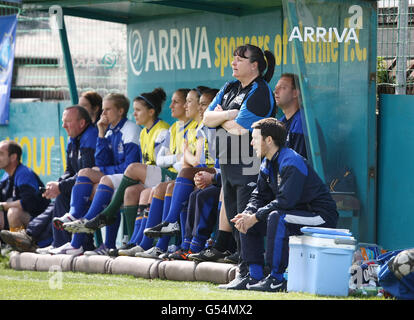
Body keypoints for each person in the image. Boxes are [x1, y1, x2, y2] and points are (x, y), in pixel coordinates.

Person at [226, 118, 338, 291]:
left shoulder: (291, 161)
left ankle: (276, 278)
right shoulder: (267, 162)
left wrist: (255, 217)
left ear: (268, 140)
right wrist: (248, 213)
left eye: (255, 138)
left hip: (319, 216)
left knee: (276, 217)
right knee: (247, 216)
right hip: (294, 213)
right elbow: (258, 196)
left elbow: (286, 202)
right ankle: (253, 276)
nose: (251, 142)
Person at [198, 44, 276, 274]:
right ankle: (244, 269)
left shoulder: (260, 90)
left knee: (245, 219)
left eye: (240, 59)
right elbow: (205, 117)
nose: (234, 62)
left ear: (255, 65)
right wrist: (228, 115)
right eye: (234, 58)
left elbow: (241, 129)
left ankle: (252, 272)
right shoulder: (230, 86)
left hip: (248, 161)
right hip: (228, 162)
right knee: (234, 218)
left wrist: (220, 118)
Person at [50, 93, 141, 255]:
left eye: (107, 110)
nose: (103, 114)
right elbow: (101, 161)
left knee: (92, 178)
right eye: (103, 110)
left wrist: (104, 171)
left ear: (120, 111)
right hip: (115, 177)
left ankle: (78, 228)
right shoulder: (109, 131)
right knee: (93, 184)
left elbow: (130, 167)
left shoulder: (130, 129)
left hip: (132, 179)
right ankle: (89, 240)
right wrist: (100, 132)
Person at [0, 106, 99, 253]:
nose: (64, 126)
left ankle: (32, 239)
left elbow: (86, 174)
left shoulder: (90, 136)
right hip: (71, 193)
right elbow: (69, 171)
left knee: (15, 212)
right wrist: (57, 185)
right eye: (63, 121)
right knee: (60, 196)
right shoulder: (73, 139)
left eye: (68, 121)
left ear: (82, 123)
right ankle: (34, 240)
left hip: (97, 187)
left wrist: (60, 186)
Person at [137, 87, 218, 259]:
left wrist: (185, 154)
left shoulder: (211, 127)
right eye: (201, 104)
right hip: (196, 172)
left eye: (204, 104)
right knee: (166, 187)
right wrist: (184, 155)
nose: (201, 108)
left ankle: (179, 236)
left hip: (216, 173)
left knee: (178, 182)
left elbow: (196, 161)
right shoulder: (195, 128)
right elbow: (189, 162)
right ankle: (160, 244)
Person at [0, 141, 50, 234]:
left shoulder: (24, 174)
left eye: (1, 154)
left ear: (13, 157)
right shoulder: (6, 176)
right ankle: (6, 244)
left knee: (13, 213)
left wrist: (4, 206)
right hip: (26, 221)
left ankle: (20, 245)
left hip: (40, 223)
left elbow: (29, 202)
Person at [274, 73, 307, 158]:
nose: (276, 91)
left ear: (295, 93)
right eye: (276, 88)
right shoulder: (282, 121)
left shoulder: (302, 122)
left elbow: (298, 166)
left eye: (282, 88)